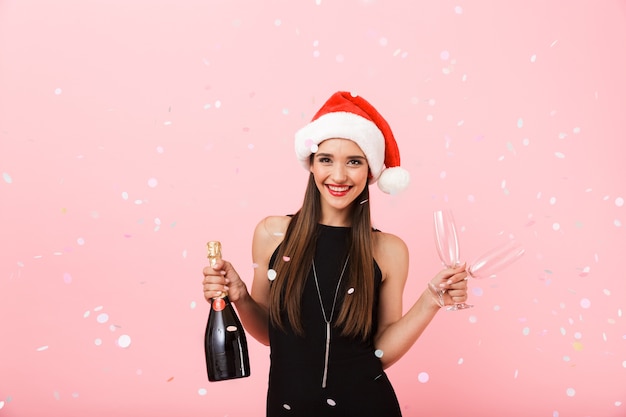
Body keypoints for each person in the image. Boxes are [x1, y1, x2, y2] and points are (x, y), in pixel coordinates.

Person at [202, 91, 468, 416]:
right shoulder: (271, 234)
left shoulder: (389, 250)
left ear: (370, 170)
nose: (338, 176)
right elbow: (270, 335)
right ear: (311, 164)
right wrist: (241, 297)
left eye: (354, 162)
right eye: (326, 159)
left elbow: (380, 350)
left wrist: (431, 300)